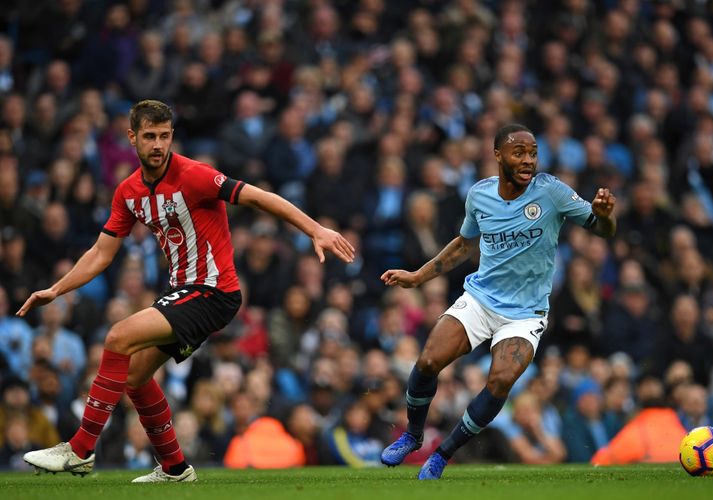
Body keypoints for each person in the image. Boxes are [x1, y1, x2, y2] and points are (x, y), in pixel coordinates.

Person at [16, 99, 355, 482]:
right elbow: (100, 253)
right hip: (187, 293)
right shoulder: (128, 192)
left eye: (164, 136)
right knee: (136, 376)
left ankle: (79, 449)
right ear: (133, 138)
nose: (158, 144)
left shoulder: (194, 175)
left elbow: (260, 197)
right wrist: (56, 289)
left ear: (172, 136)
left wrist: (315, 229)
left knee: (117, 337)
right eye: (149, 136)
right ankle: (175, 468)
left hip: (214, 292)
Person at [378, 124, 616, 479]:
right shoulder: (479, 195)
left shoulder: (550, 191)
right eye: (519, 152)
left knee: (500, 381)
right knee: (427, 361)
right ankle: (413, 435)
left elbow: (601, 230)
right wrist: (417, 277)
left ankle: (443, 454)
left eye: (532, 153)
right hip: (480, 299)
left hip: (525, 314)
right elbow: (463, 245)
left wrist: (605, 216)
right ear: (498, 156)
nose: (528, 160)